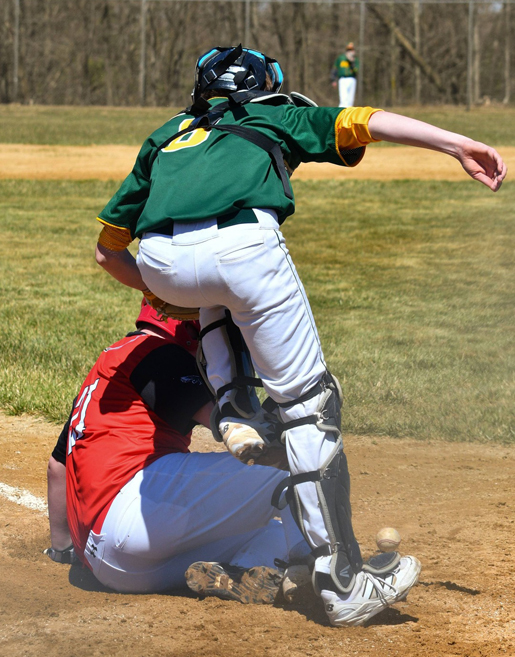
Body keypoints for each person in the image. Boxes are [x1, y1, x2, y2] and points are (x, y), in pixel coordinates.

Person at [92, 45, 506, 626]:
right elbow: (367, 121)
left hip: (159, 258)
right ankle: (343, 583)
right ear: (264, 86)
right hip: (244, 249)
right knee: (312, 407)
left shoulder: (168, 134)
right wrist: (456, 143)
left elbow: (107, 251)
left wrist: (164, 293)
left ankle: (235, 401)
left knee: (213, 289)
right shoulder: (273, 113)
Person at [45, 299, 308, 603]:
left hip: (109, 564)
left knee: (271, 530)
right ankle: (321, 566)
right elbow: (240, 431)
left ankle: (242, 571)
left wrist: (63, 549)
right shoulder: (157, 353)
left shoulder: (111, 363)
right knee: (293, 467)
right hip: (131, 519)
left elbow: (57, 467)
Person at [331, 42, 359, 107]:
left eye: (351, 50)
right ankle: (342, 112)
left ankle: (349, 112)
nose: (350, 51)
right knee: (343, 99)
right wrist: (333, 80)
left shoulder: (355, 60)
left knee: (350, 100)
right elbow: (335, 69)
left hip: (352, 79)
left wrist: (352, 63)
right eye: (349, 50)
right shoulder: (341, 58)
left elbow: (356, 71)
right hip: (342, 79)